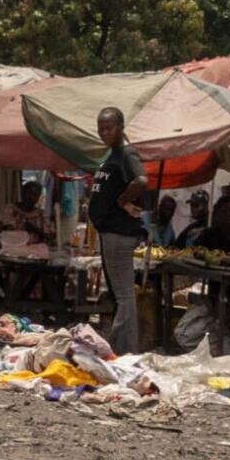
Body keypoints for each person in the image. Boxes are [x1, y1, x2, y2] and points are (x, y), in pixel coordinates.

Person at [87, 106, 147, 355]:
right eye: (100, 128)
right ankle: (122, 346)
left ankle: (121, 349)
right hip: (110, 232)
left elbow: (141, 180)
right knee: (120, 293)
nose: (103, 132)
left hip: (118, 233)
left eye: (108, 127)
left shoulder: (127, 154)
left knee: (124, 295)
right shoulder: (113, 155)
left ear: (121, 127)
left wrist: (122, 201)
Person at [0, 181, 54, 254]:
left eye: (35, 195)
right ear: (23, 193)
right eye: (29, 193)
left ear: (38, 197)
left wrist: (35, 230)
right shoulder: (10, 210)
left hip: (34, 254)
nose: (31, 197)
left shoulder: (42, 214)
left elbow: (49, 239)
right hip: (11, 252)